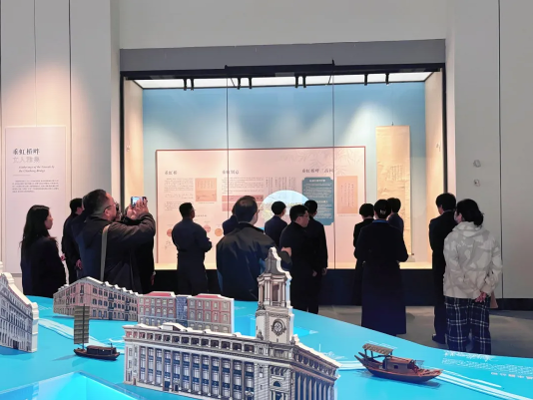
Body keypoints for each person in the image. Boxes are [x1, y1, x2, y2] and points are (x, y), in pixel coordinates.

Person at [443, 199, 503, 355]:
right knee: (481, 334)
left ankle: (457, 367)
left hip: (456, 293)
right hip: (482, 294)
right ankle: (482, 367)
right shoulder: (489, 237)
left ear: (460, 215)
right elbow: (497, 267)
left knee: (457, 335)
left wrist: (473, 292)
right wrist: (485, 289)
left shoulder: (452, 238)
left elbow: (454, 271)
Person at [77, 189, 155, 292]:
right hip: (117, 293)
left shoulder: (84, 229)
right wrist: (145, 214)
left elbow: (119, 238)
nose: (116, 207)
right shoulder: (111, 231)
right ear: (107, 212)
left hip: (98, 291)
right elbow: (147, 230)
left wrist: (128, 220)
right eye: (114, 204)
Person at [216, 196, 291, 301]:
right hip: (256, 299)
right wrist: (285, 254)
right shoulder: (262, 240)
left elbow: (220, 275)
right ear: (255, 214)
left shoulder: (223, 242)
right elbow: (277, 268)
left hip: (230, 300)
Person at [355, 199, 409, 335]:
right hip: (391, 274)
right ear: (389, 212)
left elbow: (358, 253)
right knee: (390, 306)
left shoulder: (365, 230)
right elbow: (403, 256)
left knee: (372, 308)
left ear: (375, 212)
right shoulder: (394, 232)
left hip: (372, 274)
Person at [280, 205, 321, 313]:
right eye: (306, 216)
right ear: (299, 218)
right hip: (300, 274)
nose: (308, 219)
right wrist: (313, 268)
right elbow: (307, 254)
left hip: (296, 273)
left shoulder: (288, 231)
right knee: (300, 304)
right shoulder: (298, 233)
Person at [429, 193, 457, 345]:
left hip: (441, 265)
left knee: (440, 300)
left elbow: (434, 246)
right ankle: (459, 331)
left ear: (440, 207)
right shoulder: (460, 223)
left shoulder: (435, 223)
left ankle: (441, 333)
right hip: (458, 266)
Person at [20, 205, 66, 297]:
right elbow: (58, 272)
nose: (52, 219)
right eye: (49, 216)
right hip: (48, 295)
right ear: (42, 220)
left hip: (30, 294)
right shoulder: (47, 243)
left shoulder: (26, 243)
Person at [171, 203, 212, 295]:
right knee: (200, 294)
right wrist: (209, 243)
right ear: (191, 212)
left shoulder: (176, 228)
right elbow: (205, 246)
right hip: (196, 264)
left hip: (181, 264)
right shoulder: (197, 229)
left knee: (183, 293)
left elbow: (175, 242)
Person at [123, 205, 155, 294]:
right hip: (128, 271)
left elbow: (149, 253)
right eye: (132, 209)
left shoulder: (146, 231)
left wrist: (152, 271)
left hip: (143, 270)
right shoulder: (122, 229)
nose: (135, 211)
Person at [303, 200, 328, 314]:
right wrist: (324, 264)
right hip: (316, 264)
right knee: (314, 294)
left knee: (302, 294)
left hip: (302, 265)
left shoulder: (297, 226)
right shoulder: (318, 226)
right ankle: (313, 316)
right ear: (316, 212)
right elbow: (322, 247)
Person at [352, 203, 374, 305]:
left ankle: (359, 300)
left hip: (362, 257)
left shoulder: (358, 227)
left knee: (360, 280)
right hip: (376, 258)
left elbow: (355, 243)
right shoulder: (376, 226)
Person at [62, 198, 83, 284]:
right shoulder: (75, 222)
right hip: (76, 261)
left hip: (72, 259)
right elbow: (70, 242)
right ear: (78, 208)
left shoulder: (69, 221)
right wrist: (76, 259)